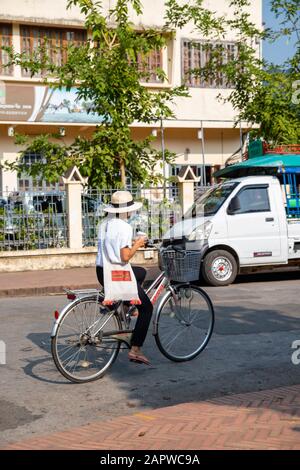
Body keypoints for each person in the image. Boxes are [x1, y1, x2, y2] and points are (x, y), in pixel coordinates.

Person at [96, 190, 153, 365]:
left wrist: (131, 242)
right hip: (117, 274)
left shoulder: (104, 224)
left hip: (101, 271)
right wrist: (138, 243)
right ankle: (135, 349)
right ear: (126, 210)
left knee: (141, 272)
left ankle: (128, 305)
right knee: (148, 308)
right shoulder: (124, 227)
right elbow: (125, 257)